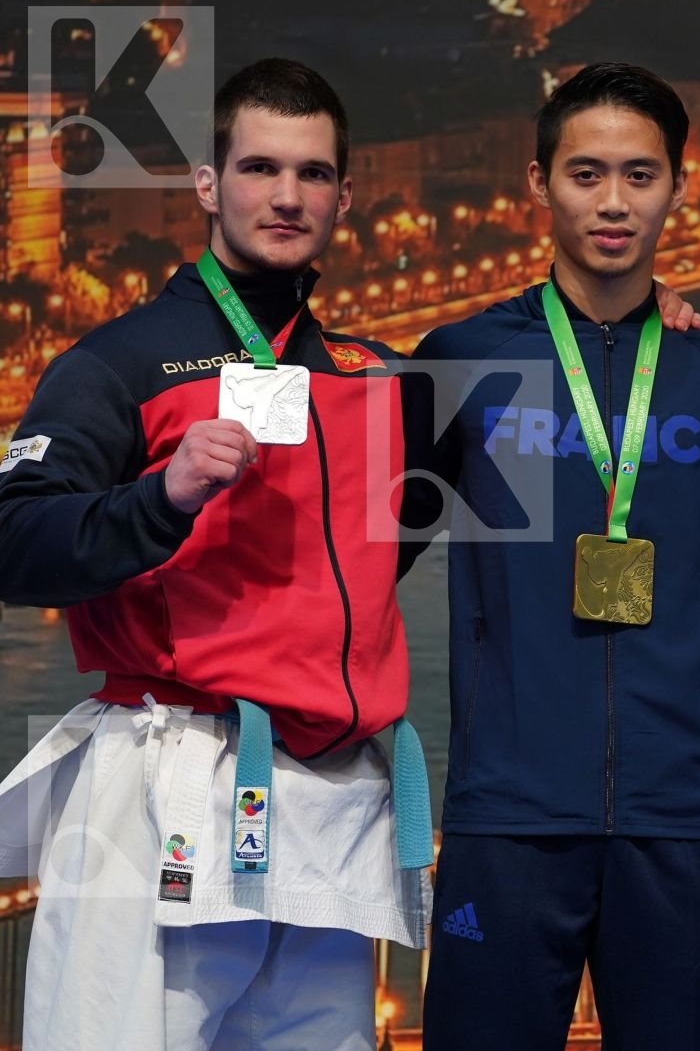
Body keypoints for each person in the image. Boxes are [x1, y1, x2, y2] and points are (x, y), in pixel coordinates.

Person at [0, 59, 432, 1051]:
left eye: (314, 174)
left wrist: (663, 312)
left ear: (344, 196)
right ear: (208, 184)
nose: (287, 196)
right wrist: (162, 497)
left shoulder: (380, 377)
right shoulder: (119, 362)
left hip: (333, 795)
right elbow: (13, 542)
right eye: (260, 168)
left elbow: (378, 557)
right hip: (166, 780)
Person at [401, 62, 700, 1051]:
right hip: (506, 819)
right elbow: (351, 562)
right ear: (539, 183)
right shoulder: (460, 359)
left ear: (678, 187)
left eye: (639, 176)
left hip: (684, 822)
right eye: (586, 174)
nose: (613, 201)